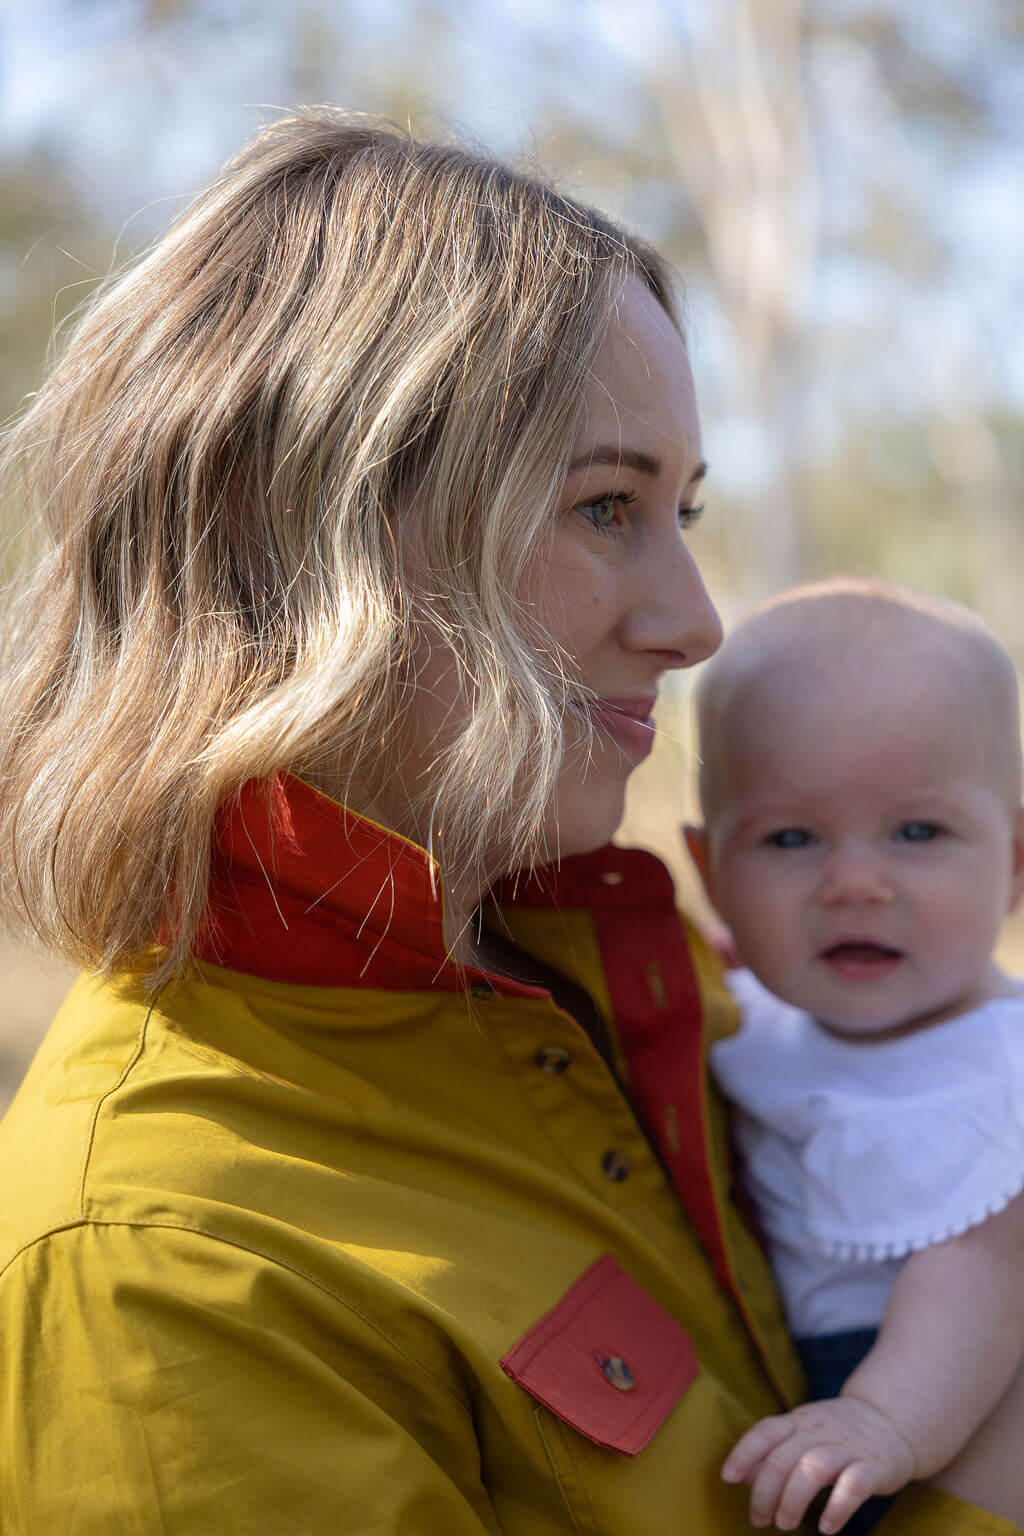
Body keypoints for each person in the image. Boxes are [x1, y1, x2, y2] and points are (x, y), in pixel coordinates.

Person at [0, 113, 1011, 1534]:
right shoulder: (161, 1265)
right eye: (607, 507)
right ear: (286, 529)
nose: (694, 623)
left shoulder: (659, 980)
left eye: (686, 515)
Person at [686, 577, 1024, 1536]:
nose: (855, 885)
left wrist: (881, 1417)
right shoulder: (748, 1012)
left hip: (927, 1400)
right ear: (712, 873)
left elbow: (983, 1279)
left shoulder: (997, 1068)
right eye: (791, 839)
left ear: (1014, 861)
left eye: (918, 832)